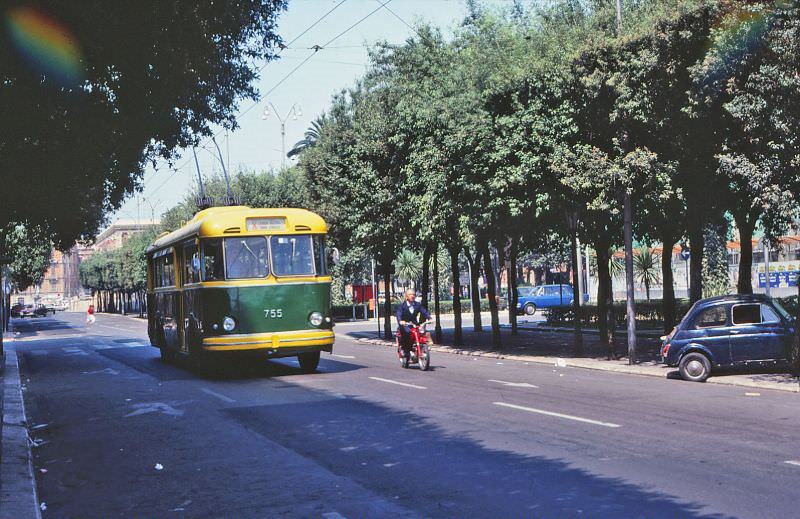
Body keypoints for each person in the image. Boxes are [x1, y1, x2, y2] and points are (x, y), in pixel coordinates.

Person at [396, 289, 431, 354]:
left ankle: (424, 345)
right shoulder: (402, 306)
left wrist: (429, 318)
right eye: (410, 294)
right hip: (405, 325)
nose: (412, 296)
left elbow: (424, 311)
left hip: (414, 324)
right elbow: (398, 314)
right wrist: (400, 321)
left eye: (413, 294)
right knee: (407, 332)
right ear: (406, 296)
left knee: (423, 332)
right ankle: (405, 350)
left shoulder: (417, 305)